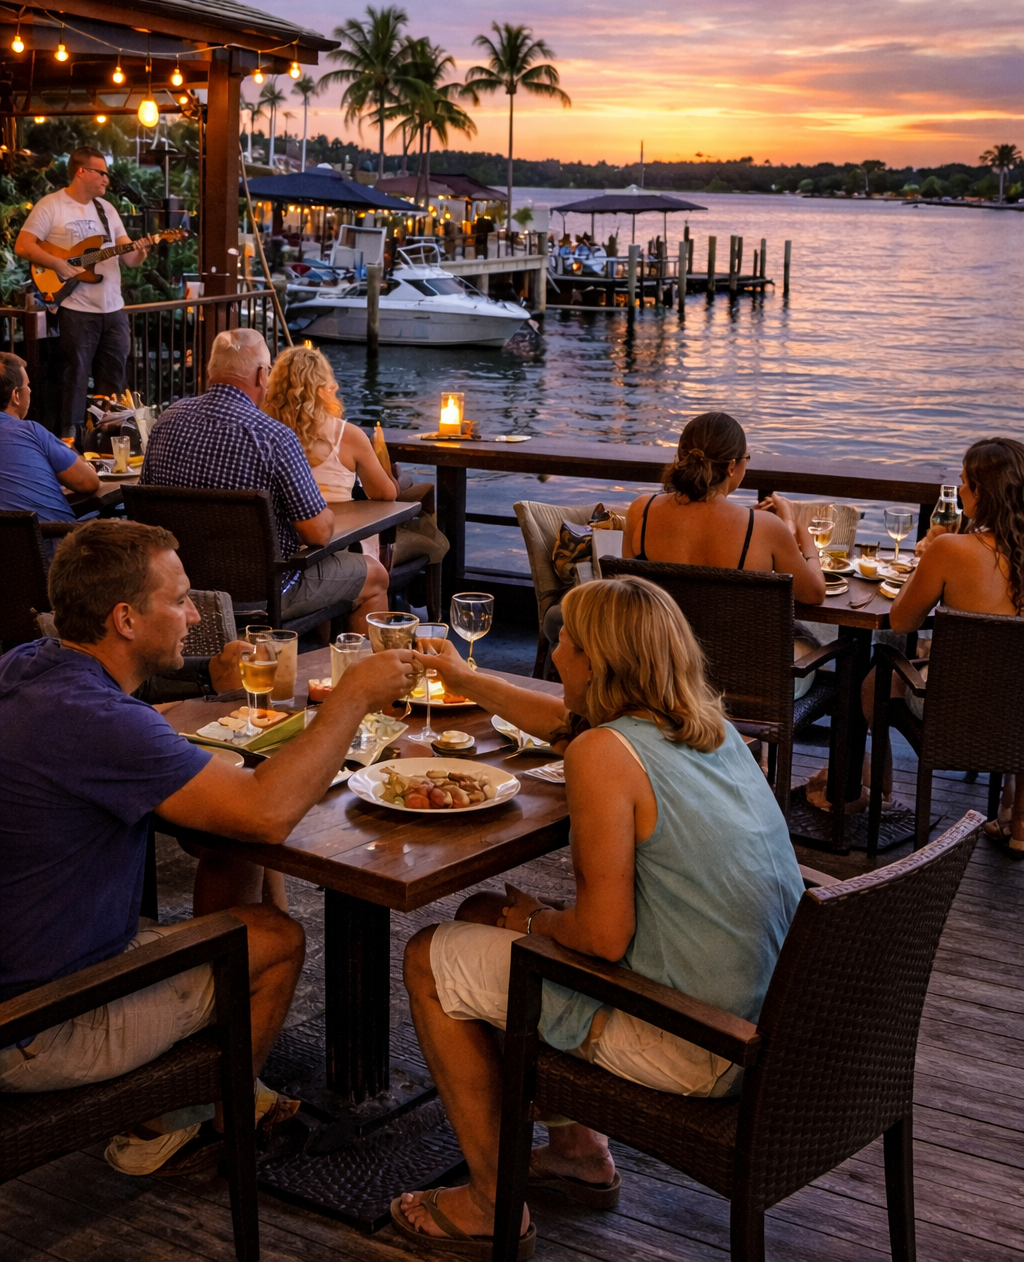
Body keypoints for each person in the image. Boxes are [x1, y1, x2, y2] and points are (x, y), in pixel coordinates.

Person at [392, 576, 803, 1255]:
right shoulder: (714, 731)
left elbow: (603, 939)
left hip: (696, 1041)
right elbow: (566, 724)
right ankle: (578, 1151)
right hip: (765, 1022)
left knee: (427, 958)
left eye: (566, 641)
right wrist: (465, 679)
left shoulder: (603, 754)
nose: (554, 653)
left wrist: (537, 922)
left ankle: (491, 1204)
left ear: (597, 661)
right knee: (482, 911)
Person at [0, 519, 416, 1174]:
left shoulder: (28, 666)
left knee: (231, 855)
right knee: (276, 939)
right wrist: (353, 697)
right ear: (125, 619)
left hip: (23, 969)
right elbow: (266, 814)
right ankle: (190, 1124)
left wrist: (208, 685)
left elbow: (214, 801)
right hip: (36, 1025)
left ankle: (200, 1087)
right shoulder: (102, 723)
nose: (195, 616)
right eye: (179, 600)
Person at [142, 328, 390, 632]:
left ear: (210, 372)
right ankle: (364, 663)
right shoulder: (274, 437)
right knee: (374, 575)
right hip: (264, 594)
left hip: (181, 587)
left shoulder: (166, 422)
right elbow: (318, 533)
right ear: (262, 376)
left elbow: (144, 515)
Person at [867, 437, 1024, 856]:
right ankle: (1017, 814)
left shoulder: (951, 549)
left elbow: (902, 622)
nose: (960, 486)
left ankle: (877, 793)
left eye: (965, 482)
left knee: (873, 680)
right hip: (1017, 712)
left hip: (955, 706)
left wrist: (926, 557)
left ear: (983, 493)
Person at [621, 411, 826, 703]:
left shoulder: (641, 511)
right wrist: (801, 535)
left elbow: (631, 592)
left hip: (660, 678)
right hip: (742, 689)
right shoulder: (764, 529)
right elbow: (815, 593)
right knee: (812, 644)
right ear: (732, 466)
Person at [14, 147, 150, 439]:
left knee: (114, 379)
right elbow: (24, 245)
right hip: (77, 309)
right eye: (101, 173)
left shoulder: (106, 209)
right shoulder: (52, 205)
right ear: (81, 171)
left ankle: (110, 439)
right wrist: (58, 264)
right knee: (74, 377)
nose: (106, 179)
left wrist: (141, 251)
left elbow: (128, 258)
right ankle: (70, 440)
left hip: (113, 309)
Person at [264, 345, 400, 558]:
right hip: (338, 544)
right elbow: (385, 494)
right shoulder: (348, 436)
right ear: (321, 388)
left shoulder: (263, 433)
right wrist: (384, 464)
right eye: (329, 380)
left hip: (280, 546)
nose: (335, 386)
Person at [0, 352, 100, 520]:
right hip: (57, 534)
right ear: (15, 395)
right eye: (27, 385)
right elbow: (89, 483)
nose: (30, 390)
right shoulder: (30, 431)